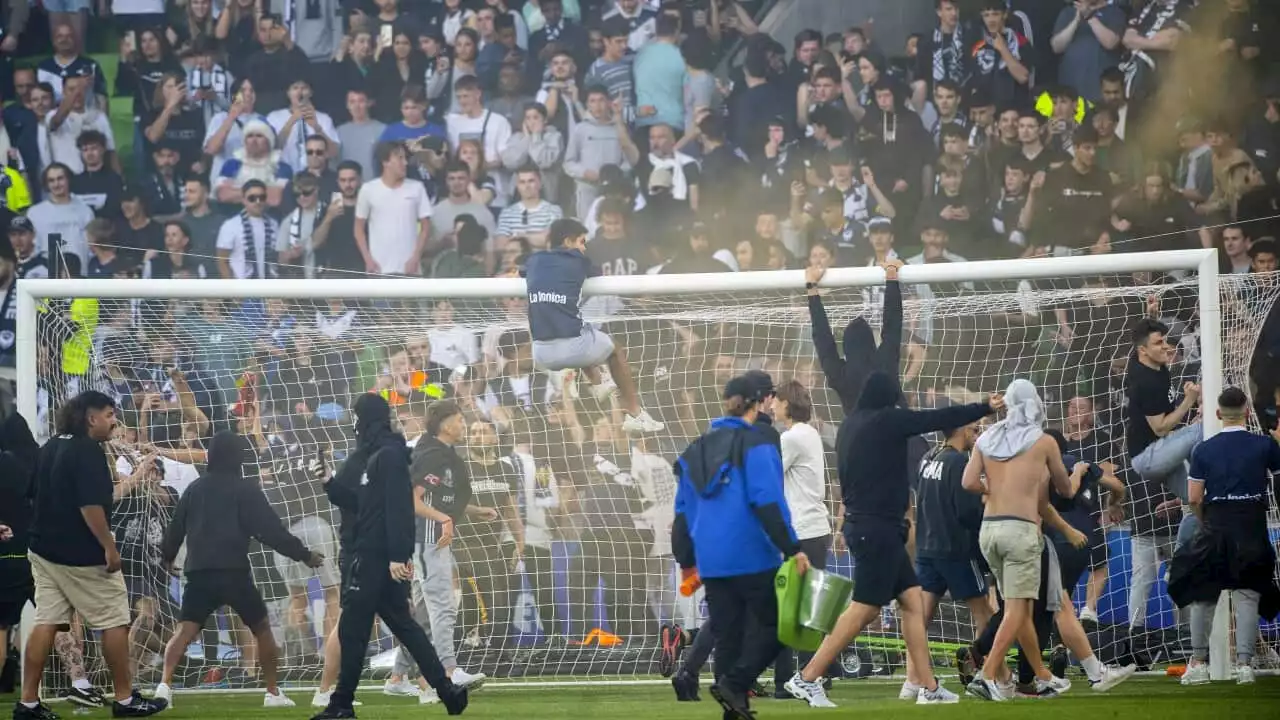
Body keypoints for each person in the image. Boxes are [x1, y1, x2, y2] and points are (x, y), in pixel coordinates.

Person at [785, 372, 998, 707]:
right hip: (877, 529)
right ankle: (807, 677)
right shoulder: (887, 420)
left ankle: (928, 687)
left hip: (869, 526)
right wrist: (982, 406)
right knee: (864, 610)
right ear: (889, 397)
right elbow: (938, 418)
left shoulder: (851, 423)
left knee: (912, 602)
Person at [310, 393, 467, 719]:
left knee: (355, 630)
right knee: (405, 627)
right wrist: (328, 481)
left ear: (365, 418)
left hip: (375, 557)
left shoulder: (390, 455)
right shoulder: (375, 456)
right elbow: (360, 504)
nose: (353, 422)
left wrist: (398, 556)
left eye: (356, 415)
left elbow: (398, 508)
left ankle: (341, 704)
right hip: (375, 556)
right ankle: (447, 691)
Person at [18, 391, 168, 719]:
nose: (114, 421)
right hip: (81, 554)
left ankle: (28, 703)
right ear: (92, 418)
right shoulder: (88, 452)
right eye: (110, 414)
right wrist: (109, 547)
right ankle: (126, 700)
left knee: (47, 622)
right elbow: (90, 507)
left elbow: (31, 494)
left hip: (42, 550)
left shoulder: (51, 446)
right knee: (115, 619)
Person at [671, 371, 810, 720]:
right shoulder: (758, 443)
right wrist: (792, 547)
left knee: (727, 635)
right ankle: (737, 683)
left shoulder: (694, 450)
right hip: (750, 552)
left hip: (711, 559)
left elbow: (682, 513)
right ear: (758, 402)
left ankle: (734, 709)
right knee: (779, 626)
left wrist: (687, 560)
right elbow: (767, 501)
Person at [153, 431, 324, 708]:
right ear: (239, 458)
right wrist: (303, 554)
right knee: (263, 629)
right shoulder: (246, 490)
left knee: (184, 630)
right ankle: (272, 693)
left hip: (199, 572)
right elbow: (271, 531)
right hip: (233, 572)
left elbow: (175, 530)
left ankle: (163, 688)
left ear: (209, 456)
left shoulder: (195, 489)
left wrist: (167, 559)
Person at [959, 379, 1073, 701]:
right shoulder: (1043, 441)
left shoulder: (987, 437)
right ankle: (987, 674)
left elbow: (968, 481)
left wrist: (994, 489)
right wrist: (1075, 477)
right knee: (1019, 608)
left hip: (989, 530)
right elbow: (1064, 489)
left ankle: (1042, 675)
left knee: (1015, 607)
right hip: (1021, 530)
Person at [1169, 387, 1280, 686]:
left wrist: (1207, 521)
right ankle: (1245, 665)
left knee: (1203, 595)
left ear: (1218, 414)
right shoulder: (1264, 445)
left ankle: (1199, 664)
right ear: (1247, 412)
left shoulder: (1204, 449)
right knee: (1247, 595)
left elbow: (1194, 497)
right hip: (1252, 528)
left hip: (1216, 527)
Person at [523, 218, 663, 436]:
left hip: (540, 353)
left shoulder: (534, 260)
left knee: (582, 325)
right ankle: (634, 412)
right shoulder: (579, 261)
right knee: (615, 350)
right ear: (568, 241)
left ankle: (599, 383)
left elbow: (524, 272)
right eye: (581, 241)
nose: (584, 247)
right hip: (573, 347)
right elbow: (598, 275)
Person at [400, 400, 486, 697]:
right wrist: (444, 519)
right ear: (446, 424)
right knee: (443, 606)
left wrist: (473, 511)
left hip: (432, 537)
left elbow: (438, 497)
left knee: (424, 613)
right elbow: (413, 499)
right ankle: (448, 671)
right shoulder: (431, 455)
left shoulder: (440, 454)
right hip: (427, 538)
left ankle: (398, 676)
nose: (464, 426)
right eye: (461, 420)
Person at [910, 417, 991, 697]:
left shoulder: (928, 457)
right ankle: (987, 674)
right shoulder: (959, 463)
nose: (977, 435)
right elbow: (966, 512)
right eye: (976, 429)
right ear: (964, 430)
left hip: (927, 547)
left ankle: (913, 681)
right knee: (984, 612)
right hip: (955, 548)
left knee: (920, 616)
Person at [806, 260, 903, 414]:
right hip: (895, 433)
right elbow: (893, 325)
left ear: (846, 346)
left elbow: (823, 340)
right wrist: (891, 275)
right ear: (871, 342)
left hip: (858, 435)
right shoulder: (885, 363)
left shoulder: (841, 376)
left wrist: (811, 287)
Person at [354, 142, 433, 276]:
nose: (405, 163)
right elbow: (358, 228)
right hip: (379, 270)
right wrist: (368, 260)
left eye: (405, 158)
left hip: (410, 270)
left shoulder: (417, 188)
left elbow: (426, 227)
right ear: (385, 162)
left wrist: (416, 258)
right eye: (400, 158)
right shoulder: (368, 190)